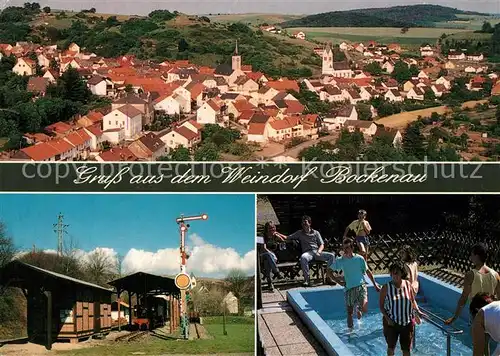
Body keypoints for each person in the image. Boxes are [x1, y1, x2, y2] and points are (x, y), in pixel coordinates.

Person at [328, 238, 381, 328]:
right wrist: (338, 282)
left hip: (361, 286)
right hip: (349, 289)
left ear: (352, 248)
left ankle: (359, 308)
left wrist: (375, 284)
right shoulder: (341, 260)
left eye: (347, 247)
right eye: (344, 248)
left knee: (364, 308)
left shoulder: (359, 259)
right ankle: (350, 332)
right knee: (349, 313)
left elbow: (368, 272)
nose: (345, 250)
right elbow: (329, 271)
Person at [445, 243, 500, 325]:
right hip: (491, 315)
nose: (470, 257)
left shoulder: (471, 275)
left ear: (477, 256)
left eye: (472, 254)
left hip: (477, 315)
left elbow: (463, 298)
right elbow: (498, 299)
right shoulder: (495, 275)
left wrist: (454, 317)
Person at [274, 215, 335, 287]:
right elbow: (287, 238)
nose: (304, 224)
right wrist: (277, 233)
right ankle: (306, 280)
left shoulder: (316, 233)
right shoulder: (299, 233)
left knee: (332, 256)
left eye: (305, 222)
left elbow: (322, 244)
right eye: (303, 223)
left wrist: (319, 251)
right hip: (307, 253)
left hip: (317, 251)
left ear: (309, 223)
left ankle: (329, 277)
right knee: (303, 257)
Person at [379, 261, 425, 356]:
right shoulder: (386, 288)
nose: (395, 275)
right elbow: (381, 306)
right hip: (392, 323)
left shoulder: (408, 284)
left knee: (406, 350)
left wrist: (418, 312)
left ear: (401, 273)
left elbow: (412, 301)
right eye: (392, 273)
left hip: (407, 322)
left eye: (397, 273)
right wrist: (388, 319)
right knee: (391, 348)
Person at [260, 221, 284, 291]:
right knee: (268, 255)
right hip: (262, 254)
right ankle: (276, 272)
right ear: (266, 229)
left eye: (273, 227)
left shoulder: (275, 236)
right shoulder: (262, 236)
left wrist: (278, 235)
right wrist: (271, 254)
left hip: (271, 258)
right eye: (270, 228)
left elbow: (284, 242)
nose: (272, 229)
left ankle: (270, 284)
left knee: (268, 262)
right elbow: (263, 248)